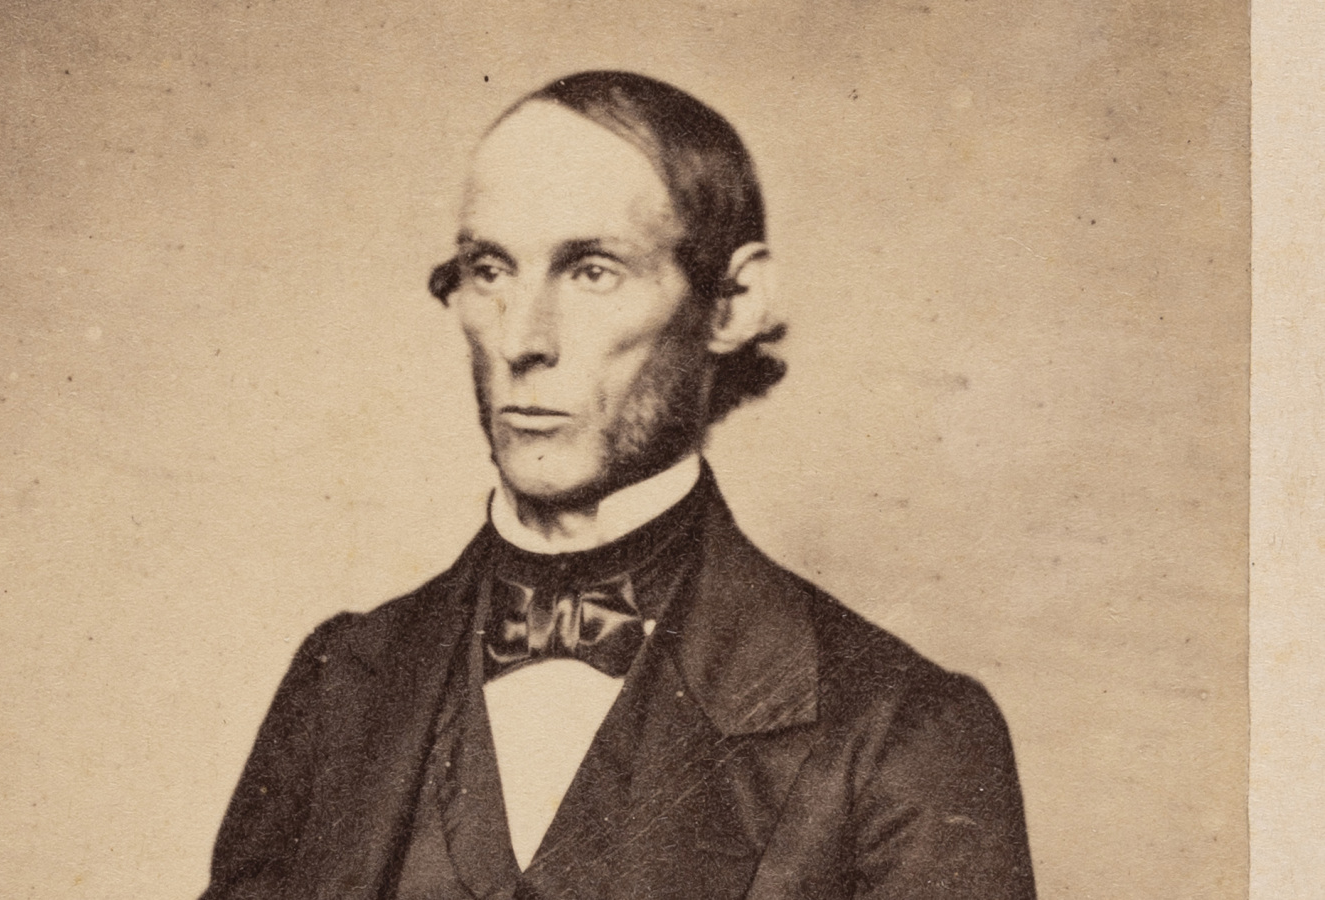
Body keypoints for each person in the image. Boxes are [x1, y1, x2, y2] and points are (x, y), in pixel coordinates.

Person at [199, 70, 1035, 900]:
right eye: (490, 270)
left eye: (592, 271)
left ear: (733, 303)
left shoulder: (904, 732)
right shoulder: (340, 681)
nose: (524, 340)